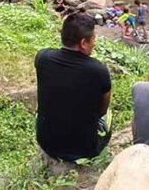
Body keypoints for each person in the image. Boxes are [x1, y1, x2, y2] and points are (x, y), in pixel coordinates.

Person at [35, 12, 112, 162]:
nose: (94, 43)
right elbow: (102, 109)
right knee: (108, 115)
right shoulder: (98, 70)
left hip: (47, 144)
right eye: (93, 39)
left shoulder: (42, 58)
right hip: (83, 150)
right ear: (83, 43)